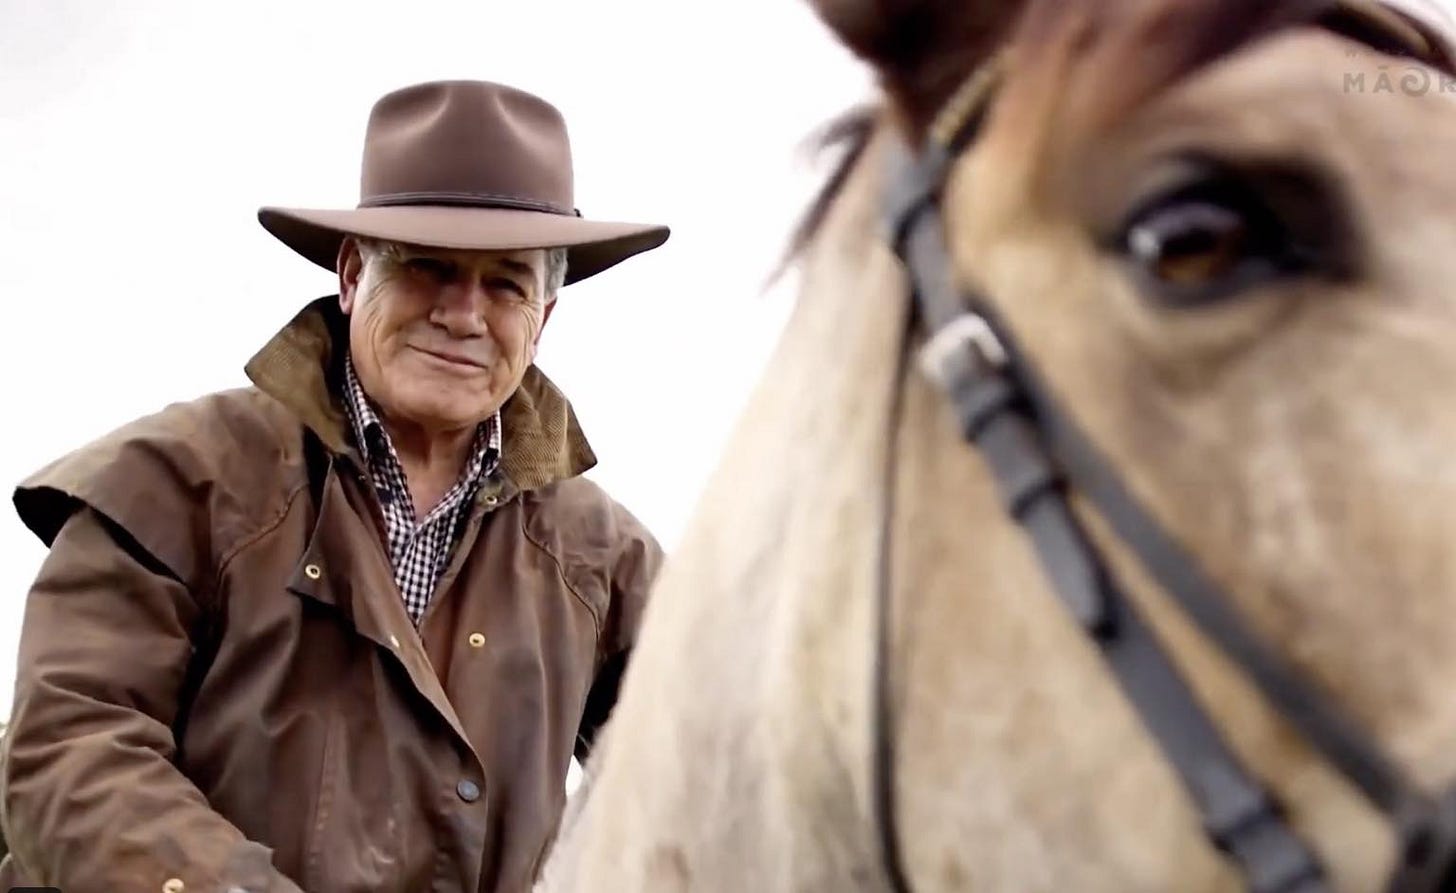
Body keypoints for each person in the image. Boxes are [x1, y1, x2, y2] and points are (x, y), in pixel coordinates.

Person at [0, 79, 670, 893]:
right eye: (427, 267)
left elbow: (710, 776)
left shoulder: (607, 558)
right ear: (353, 275)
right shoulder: (175, 481)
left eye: (506, 283)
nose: (464, 313)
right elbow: (71, 746)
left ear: (545, 316)